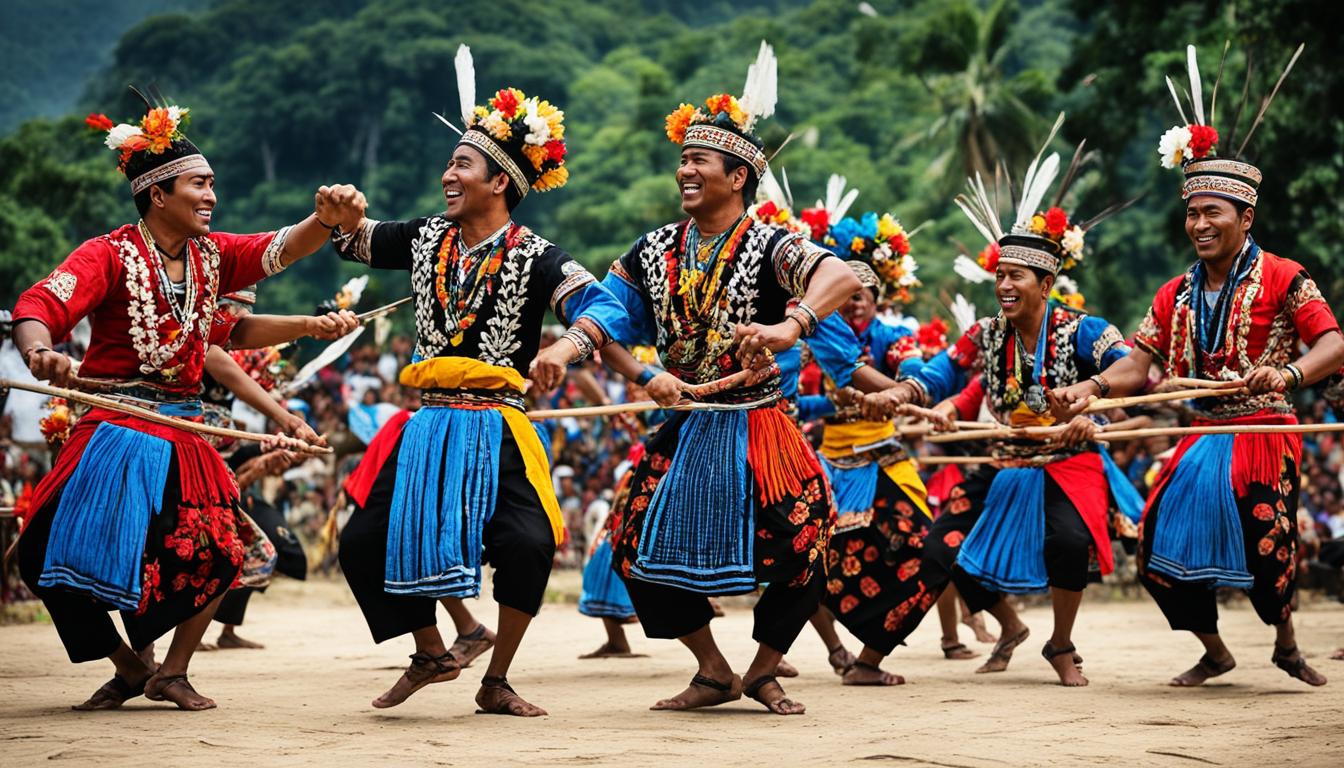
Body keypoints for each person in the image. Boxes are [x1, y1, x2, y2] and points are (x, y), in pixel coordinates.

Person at [10, 96, 356, 711]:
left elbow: (276, 254)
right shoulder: (108, 254)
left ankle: (173, 669)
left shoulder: (211, 257)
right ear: (157, 194)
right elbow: (41, 305)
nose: (211, 197)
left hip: (185, 427)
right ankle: (128, 665)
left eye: (213, 185)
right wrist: (40, 353)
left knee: (225, 550)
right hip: (117, 423)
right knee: (41, 550)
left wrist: (324, 222)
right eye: (199, 184)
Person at [334, 46, 629, 716]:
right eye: (450, 162)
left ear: (499, 182)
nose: (448, 174)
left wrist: (567, 343)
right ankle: (432, 650)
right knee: (361, 543)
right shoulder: (423, 238)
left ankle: (496, 678)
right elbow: (355, 241)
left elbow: (604, 307)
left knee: (527, 544)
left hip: (498, 425)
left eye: (461, 164)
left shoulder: (538, 256)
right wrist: (342, 214)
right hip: (428, 423)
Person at [1050, 44, 1343, 687]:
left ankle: (1287, 643)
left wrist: (1289, 375)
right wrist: (1091, 387)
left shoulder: (1285, 276)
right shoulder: (1173, 295)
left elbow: (1334, 345)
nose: (1199, 223)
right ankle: (1214, 650)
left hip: (1265, 431)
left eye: (1213, 212)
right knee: (1155, 547)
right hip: (1201, 433)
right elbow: (1141, 364)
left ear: (1246, 216)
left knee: (1269, 544)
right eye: (1192, 211)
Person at [599, 43, 862, 715]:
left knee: (810, 537)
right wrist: (640, 371)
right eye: (682, 159)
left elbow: (841, 275)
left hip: (760, 425)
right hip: (686, 422)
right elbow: (605, 318)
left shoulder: (773, 244)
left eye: (700, 161)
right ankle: (714, 670)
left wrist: (789, 325)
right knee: (629, 536)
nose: (685, 170)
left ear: (739, 176)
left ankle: (766, 667)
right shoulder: (654, 248)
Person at [862, 117, 1144, 686]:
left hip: (1069, 457)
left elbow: (1129, 366)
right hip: (1006, 458)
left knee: (1067, 543)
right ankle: (1003, 625)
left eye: (1016, 275)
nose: (1004, 286)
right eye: (1000, 276)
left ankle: (1061, 645)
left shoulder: (1085, 329)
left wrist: (1089, 398)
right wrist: (904, 393)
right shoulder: (986, 334)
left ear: (1045, 282)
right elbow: (943, 373)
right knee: (941, 549)